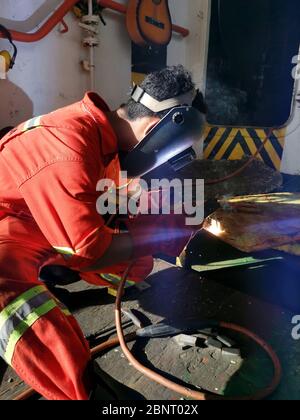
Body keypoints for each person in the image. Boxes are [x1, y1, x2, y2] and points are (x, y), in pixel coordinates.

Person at [0, 65, 206, 400]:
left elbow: (113, 191)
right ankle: (82, 388)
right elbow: (90, 250)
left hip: (46, 216)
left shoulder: (104, 136)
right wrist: (158, 236)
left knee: (137, 264)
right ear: (156, 127)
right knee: (5, 284)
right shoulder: (67, 146)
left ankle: (67, 274)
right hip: (10, 221)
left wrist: (155, 209)